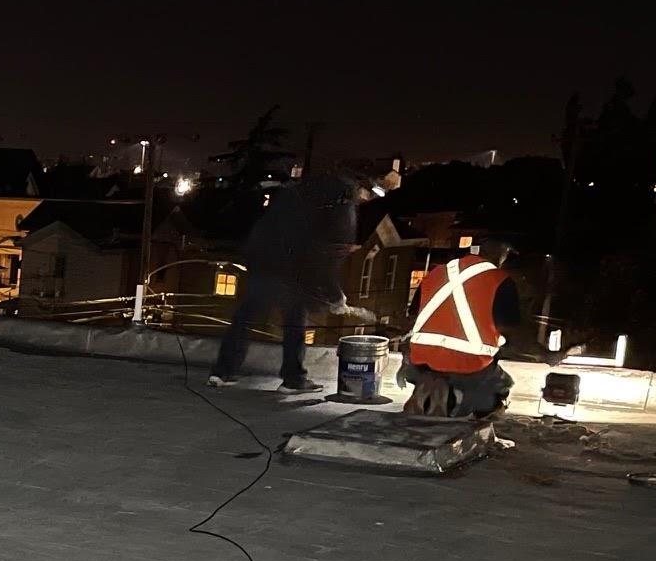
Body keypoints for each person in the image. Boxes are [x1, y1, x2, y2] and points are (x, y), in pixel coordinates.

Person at [208, 168, 397, 394]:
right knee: (294, 322)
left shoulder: (302, 191)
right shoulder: (341, 210)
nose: (366, 200)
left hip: (262, 261)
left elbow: (266, 228)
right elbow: (327, 257)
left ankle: (222, 372)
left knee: (245, 317)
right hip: (293, 271)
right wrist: (335, 296)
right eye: (368, 195)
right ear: (359, 190)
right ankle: (293, 378)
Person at [396, 240, 523, 418]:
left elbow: (413, 316)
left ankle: (428, 396)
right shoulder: (500, 279)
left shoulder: (436, 272)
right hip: (468, 365)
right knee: (503, 385)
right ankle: (482, 413)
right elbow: (510, 327)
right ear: (500, 254)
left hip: (419, 361)